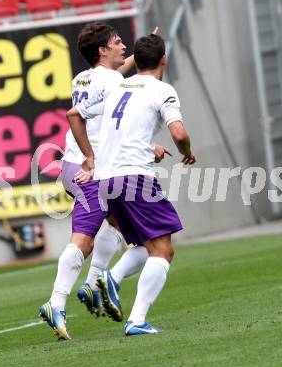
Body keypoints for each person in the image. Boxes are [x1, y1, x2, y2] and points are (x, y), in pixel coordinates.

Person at [39, 22, 165, 340]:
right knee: (84, 240)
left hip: (72, 166)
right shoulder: (112, 81)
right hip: (90, 170)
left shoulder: (83, 77)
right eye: (117, 42)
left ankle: (94, 284)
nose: (123, 46)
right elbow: (115, 127)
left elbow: (113, 77)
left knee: (118, 230)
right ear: (102, 50)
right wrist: (94, 157)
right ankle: (60, 300)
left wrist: (140, 52)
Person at [72, 33, 196, 335]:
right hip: (135, 178)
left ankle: (112, 283)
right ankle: (133, 314)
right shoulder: (161, 89)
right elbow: (178, 133)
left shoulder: (117, 87)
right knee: (163, 249)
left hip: (105, 180)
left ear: (136, 61)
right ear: (163, 60)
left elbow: (74, 114)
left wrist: (89, 156)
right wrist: (187, 153)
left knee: (145, 244)